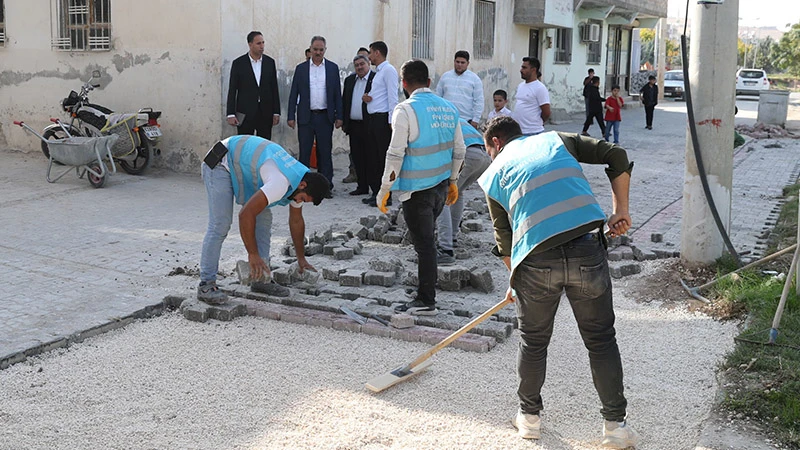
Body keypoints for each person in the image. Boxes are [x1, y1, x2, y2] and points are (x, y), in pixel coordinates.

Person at [478, 116, 639, 448]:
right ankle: (615, 427)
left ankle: (529, 420)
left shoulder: (493, 173)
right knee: (601, 339)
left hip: (535, 259)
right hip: (586, 246)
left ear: (495, 142)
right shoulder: (555, 140)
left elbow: (504, 238)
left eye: (489, 150)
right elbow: (616, 154)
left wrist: (514, 280)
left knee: (533, 342)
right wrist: (620, 210)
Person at [375, 59, 466, 315]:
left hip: (416, 192)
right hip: (440, 188)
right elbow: (460, 150)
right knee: (427, 243)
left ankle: (426, 301)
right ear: (429, 81)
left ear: (403, 83)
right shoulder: (449, 108)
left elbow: (395, 154)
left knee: (425, 246)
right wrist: (453, 181)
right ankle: (425, 292)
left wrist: (384, 190)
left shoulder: (404, 110)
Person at [198, 135, 331, 304]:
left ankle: (261, 279)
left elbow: (296, 221)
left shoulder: (300, 180)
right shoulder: (280, 183)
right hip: (220, 162)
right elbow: (245, 215)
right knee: (220, 224)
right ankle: (206, 284)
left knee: (264, 219)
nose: (299, 202)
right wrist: (252, 254)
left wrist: (301, 259)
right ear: (303, 185)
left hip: (243, 167)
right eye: (303, 199)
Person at [287, 36, 343, 192]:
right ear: (310, 49)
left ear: (325, 50)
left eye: (321, 50)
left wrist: (339, 116)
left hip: (325, 117)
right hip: (306, 117)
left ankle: (325, 187)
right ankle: (304, 186)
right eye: (315, 49)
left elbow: (337, 94)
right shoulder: (301, 69)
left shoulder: (332, 68)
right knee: (304, 153)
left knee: (324, 153)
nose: (318, 52)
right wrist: (291, 116)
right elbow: (294, 93)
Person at [435, 118, 491, 265]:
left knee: (442, 198)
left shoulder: (434, 121)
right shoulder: (452, 116)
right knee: (456, 193)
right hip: (484, 156)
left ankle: (445, 249)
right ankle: (452, 237)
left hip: (468, 155)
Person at [363, 41, 399, 207]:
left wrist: (392, 121)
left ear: (377, 52)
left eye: (370, 53)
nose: (369, 56)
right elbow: (380, 95)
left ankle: (386, 195)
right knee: (373, 158)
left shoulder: (389, 70)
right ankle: (377, 192)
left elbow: (393, 97)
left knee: (382, 159)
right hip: (373, 119)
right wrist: (368, 98)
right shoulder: (378, 72)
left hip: (382, 120)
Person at [226, 31, 281, 139]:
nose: (262, 46)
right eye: (258, 43)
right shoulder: (239, 63)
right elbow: (232, 89)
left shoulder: (269, 62)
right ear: (250, 44)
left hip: (265, 112)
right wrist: (230, 113)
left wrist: (276, 112)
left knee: (264, 143)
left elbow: (274, 88)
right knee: (245, 144)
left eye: (263, 43)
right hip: (245, 113)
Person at [342, 52, 375, 196]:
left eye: (362, 64)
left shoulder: (375, 79)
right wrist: (344, 122)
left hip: (370, 125)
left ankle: (375, 188)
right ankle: (362, 186)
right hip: (354, 126)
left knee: (371, 157)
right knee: (357, 157)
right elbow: (345, 101)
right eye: (356, 65)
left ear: (368, 64)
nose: (359, 67)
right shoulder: (350, 80)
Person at [435, 50, 484, 129]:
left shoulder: (475, 79)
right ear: (454, 61)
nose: (459, 65)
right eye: (457, 62)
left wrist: (475, 120)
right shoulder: (445, 77)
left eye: (462, 62)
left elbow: (479, 101)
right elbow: (438, 97)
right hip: (446, 120)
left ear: (468, 63)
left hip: (466, 121)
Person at [512, 57, 550, 135]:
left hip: (533, 132)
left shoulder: (540, 88)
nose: (521, 70)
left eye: (524, 68)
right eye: (521, 67)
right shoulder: (521, 86)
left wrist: (537, 122)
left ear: (533, 70)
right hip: (518, 131)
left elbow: (546, 112)